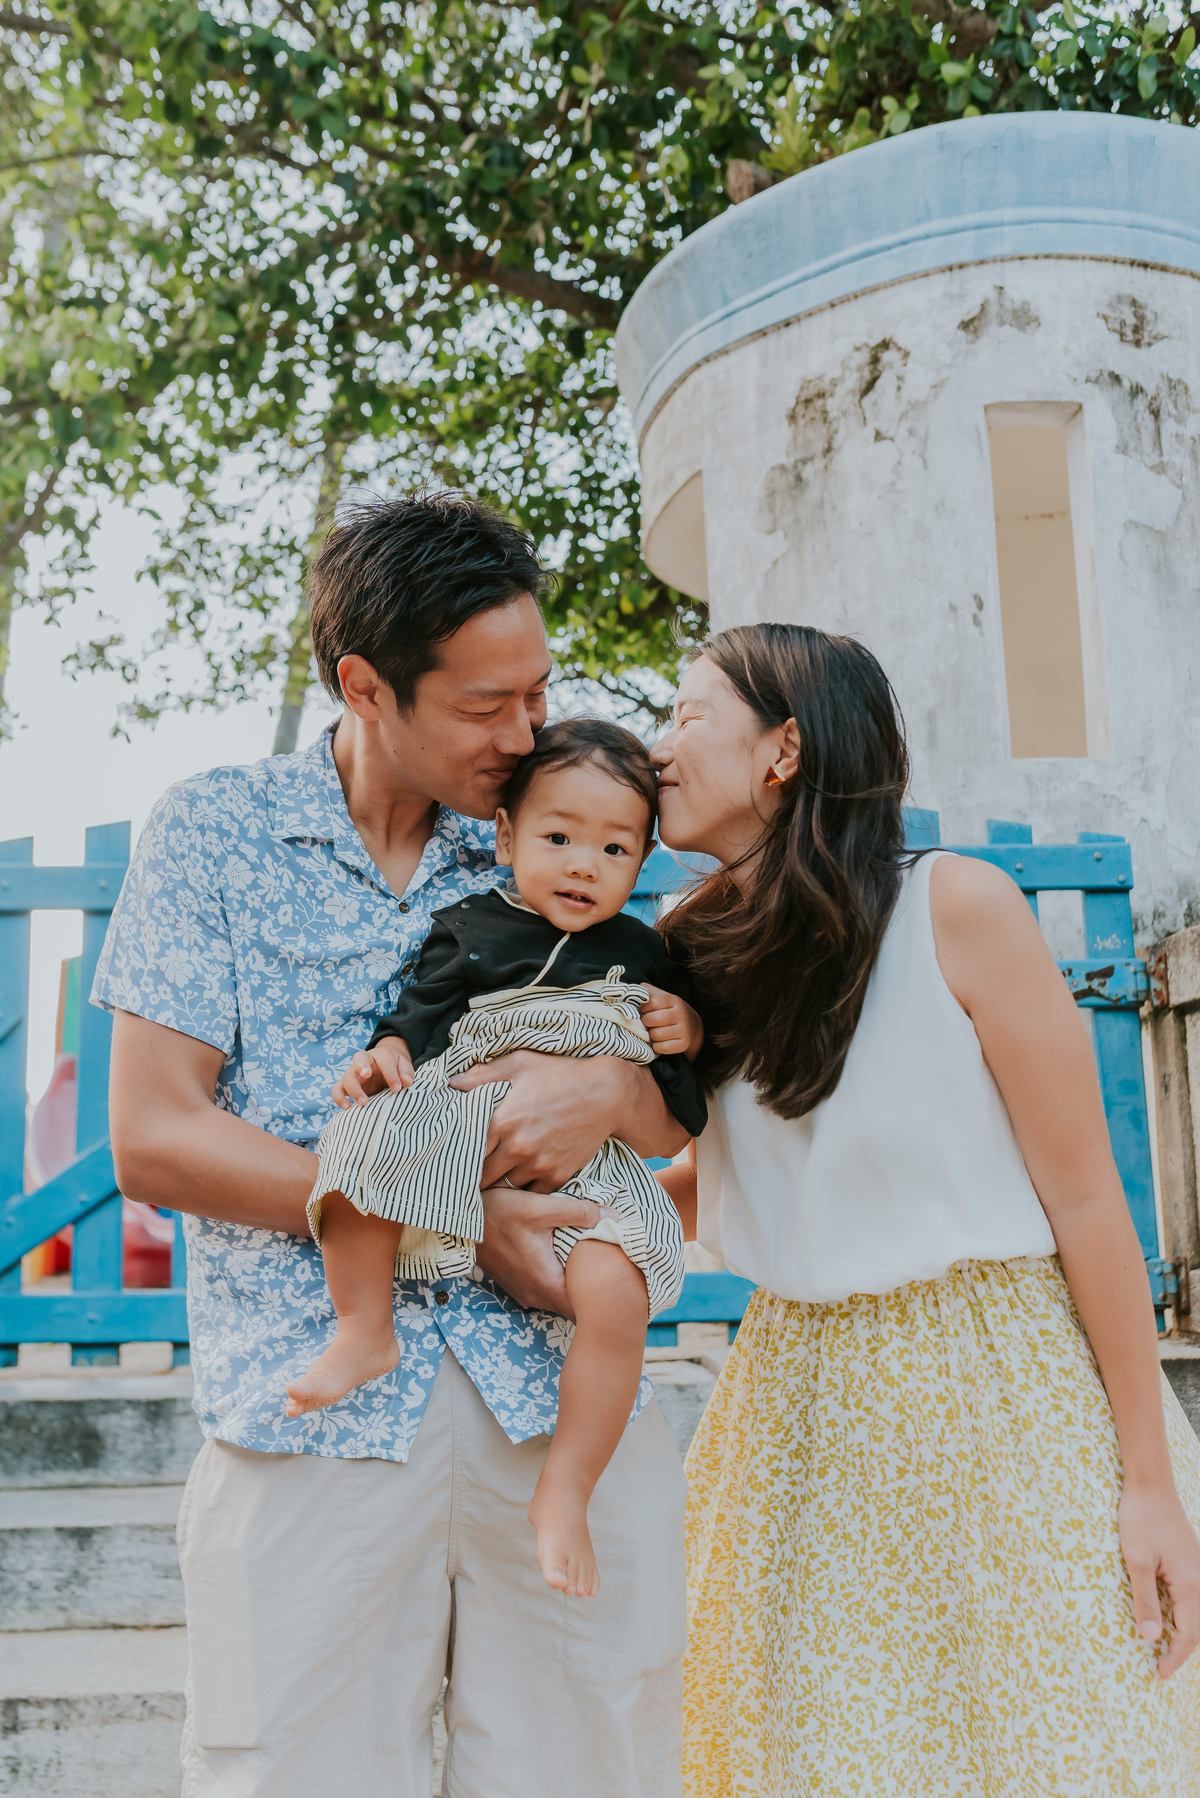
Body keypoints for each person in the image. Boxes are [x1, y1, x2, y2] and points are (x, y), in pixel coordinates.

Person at [96, 491, 689, 1798]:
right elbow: (155, 1135)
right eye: (487, 706)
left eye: (536, 691)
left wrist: (608, 1090)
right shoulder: (217, 831)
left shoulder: (566, 834)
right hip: (316, 1419)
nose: (525, 732)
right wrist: (459, 1216)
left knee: (593, 1769)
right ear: (365, 685)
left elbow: (672, 1091)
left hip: (565, 1420)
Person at [649, 622, 1200, 1795]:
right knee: (819, 1759)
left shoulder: (957, 905)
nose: (661, 748)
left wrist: (1147, 1480)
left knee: (1057, 1743)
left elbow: (1088, 1199)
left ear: (782, 749)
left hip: (998, 1387)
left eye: (690, 714)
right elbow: (747, 1175)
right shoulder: (689, 949)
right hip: (797, 1407)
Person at [284, 719, 706, 1598]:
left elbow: (675, 1120)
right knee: (358, 1143)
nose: (584, 864)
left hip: (593, 1168)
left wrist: (686, 1032)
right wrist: (386, 1057)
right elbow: (416, 1018)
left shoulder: (646, 956)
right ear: (507, 837)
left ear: (642, 862)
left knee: (615, 1294)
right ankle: (365, 1328)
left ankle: (567, 1487)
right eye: (558, 838)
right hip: (462, 1105)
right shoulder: (467, 925)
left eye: (615, 847)